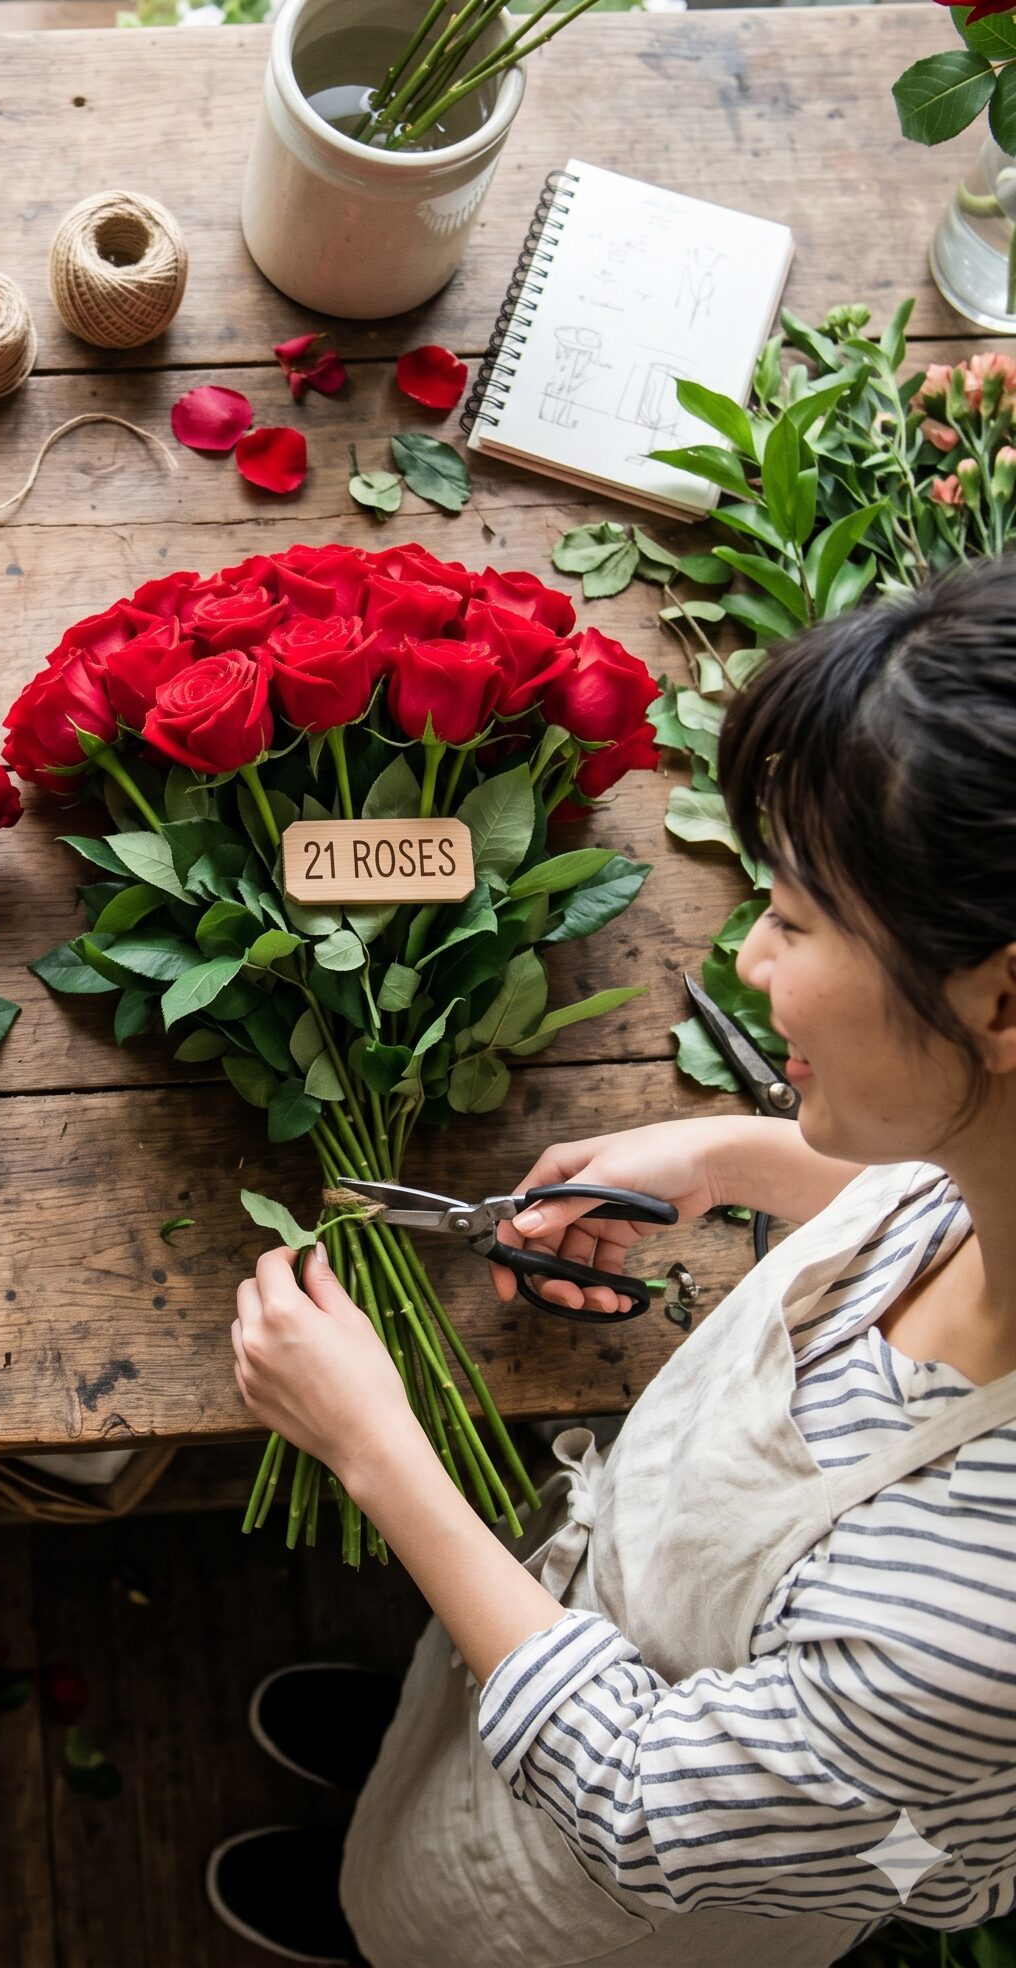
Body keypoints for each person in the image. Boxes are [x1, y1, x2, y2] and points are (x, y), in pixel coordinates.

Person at [213, 562, 1016, 1967]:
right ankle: (420, 1744)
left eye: (796, 919)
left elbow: (643, 1799)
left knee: (424, 1910)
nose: (750, 962)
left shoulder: (976, 1614)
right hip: (611, 1608)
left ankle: (364, 1919)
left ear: (1001, 998)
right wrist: (737, 1156)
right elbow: (946, 1180)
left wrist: (377, 1452)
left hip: (628, 1883)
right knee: (445, 1717)